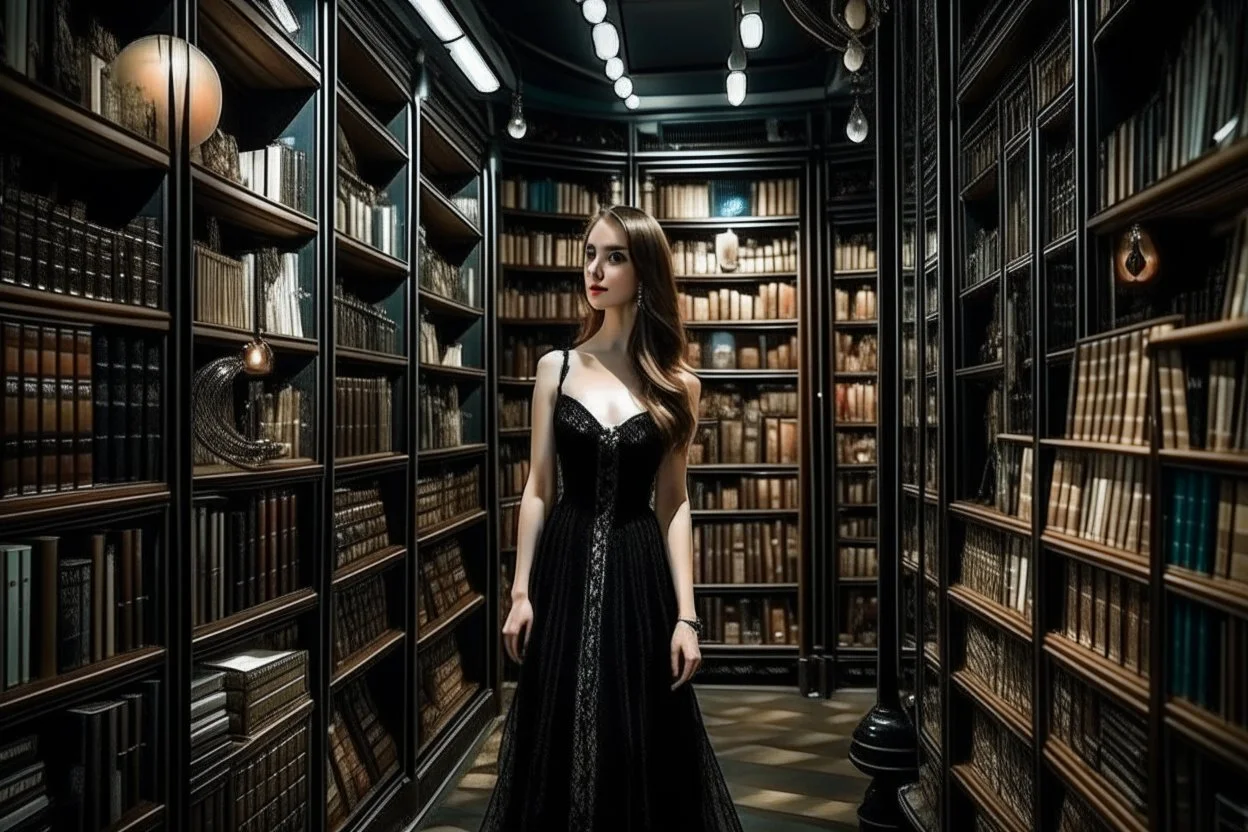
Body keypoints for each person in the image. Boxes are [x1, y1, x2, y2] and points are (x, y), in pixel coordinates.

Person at [479, 206, 744, 831]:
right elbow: (539, 488)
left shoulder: (679, 384)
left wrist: (687, 616)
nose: (595, 270)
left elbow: (673, 502)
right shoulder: (556, 368)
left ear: (644, 270)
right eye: (591, 254)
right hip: (564, 568)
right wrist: (520, 592)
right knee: (559, 721)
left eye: (615, 256)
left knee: (637, 731)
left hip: (637, 568)